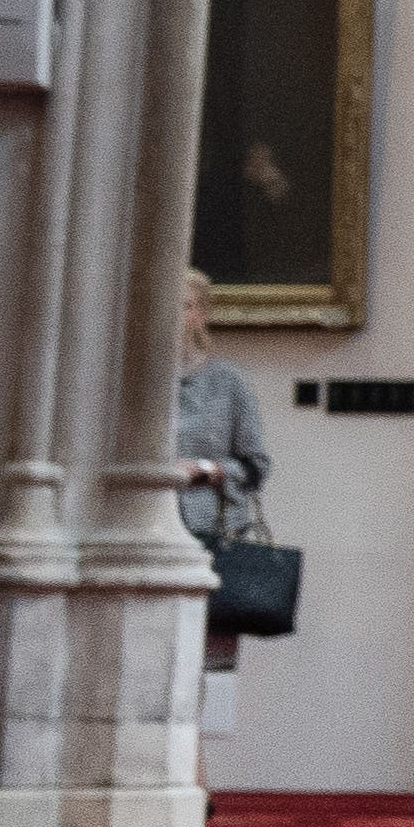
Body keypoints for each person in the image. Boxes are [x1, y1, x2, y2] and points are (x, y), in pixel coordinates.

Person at [168, 272, 273, 690]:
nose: (172, 316)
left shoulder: (227, 383)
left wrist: (204, 469)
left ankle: (194, 756)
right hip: (143, 529)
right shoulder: (132, 380)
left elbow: (255, 466)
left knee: (205, 681)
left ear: (201, 315)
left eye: (183, 306)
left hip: (209, 533)